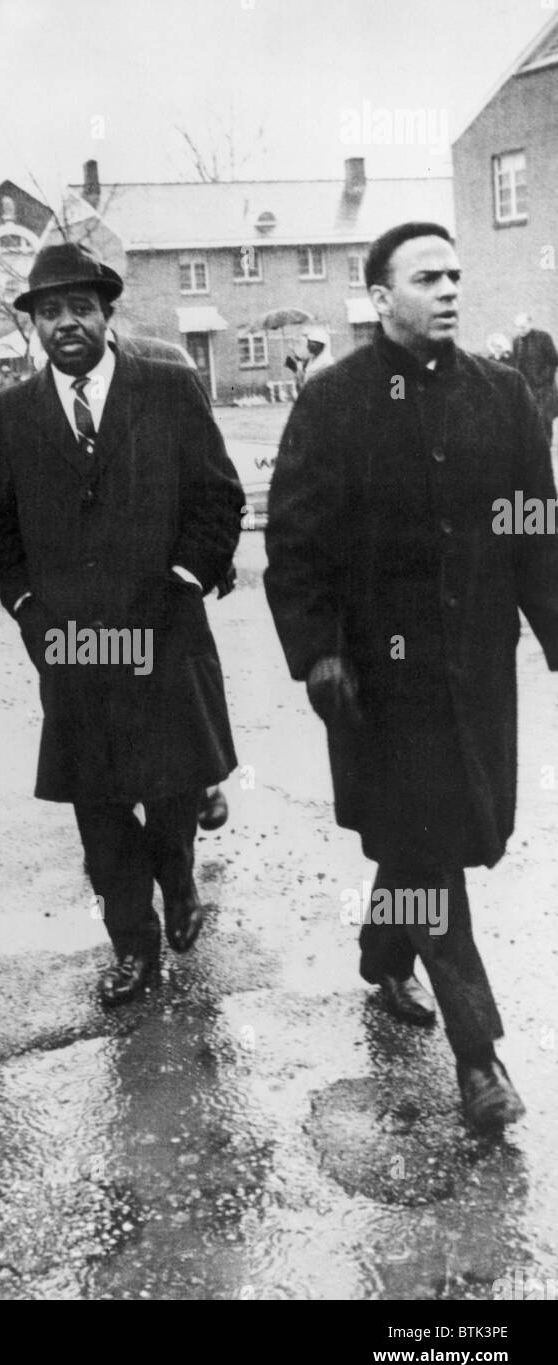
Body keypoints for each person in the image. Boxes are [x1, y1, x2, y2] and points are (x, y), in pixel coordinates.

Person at [265, 220, 558, 1132]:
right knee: (432, 844)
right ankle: (478, 1059)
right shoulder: (333, 400)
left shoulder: (501, 395)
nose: (447, 290)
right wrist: (316, 651)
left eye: (454, 276)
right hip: (378, 686)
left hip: (472, 674)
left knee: (431, 833)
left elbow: (529, 527)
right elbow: (295, 539)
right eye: (425, 277)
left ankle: (381, 951)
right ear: (379, 296)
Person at [0, 243, 243, 1006]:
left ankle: (180, 881)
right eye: (49, 311)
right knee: (97, 806)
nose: (66, 323)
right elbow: (2, 529)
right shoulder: (10, 415)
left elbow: (216, 497)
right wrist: (28, 609)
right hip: (71, 645)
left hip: (162, 631)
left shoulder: (165, 388)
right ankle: (131, 944)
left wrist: (184, 582)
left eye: (81, 308)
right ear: (32, 324)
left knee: (170, 792)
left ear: (106, 314)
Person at [512, 313, 558, 438]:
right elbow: (516, 364)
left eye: (523, 327)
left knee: (544, 417)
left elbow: (553, 361)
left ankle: (546, 445)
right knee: (529, 417)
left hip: (544, 387)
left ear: (530, 324)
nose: (520, 330)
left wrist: (544, 379)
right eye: (517, 327)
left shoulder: (543, 337)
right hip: (527, 386)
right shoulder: (516, 341)